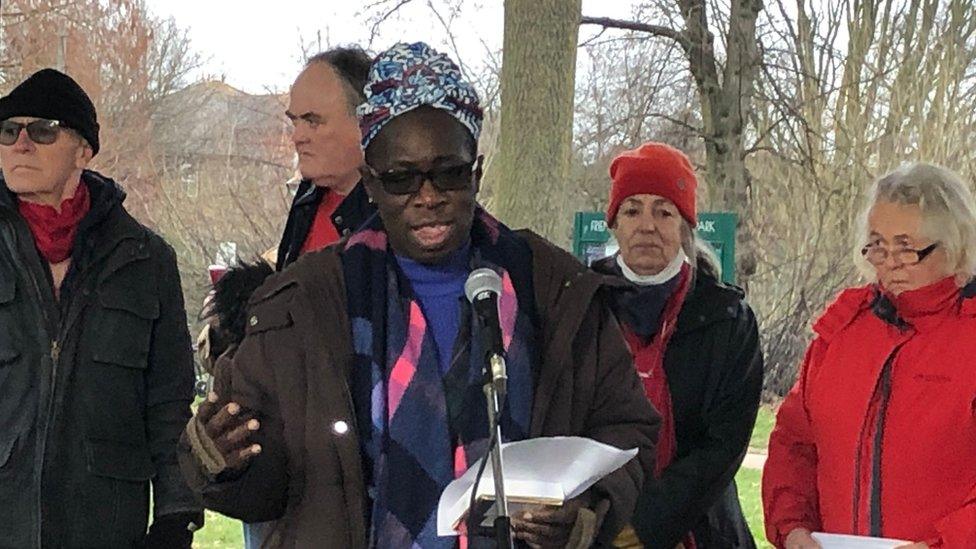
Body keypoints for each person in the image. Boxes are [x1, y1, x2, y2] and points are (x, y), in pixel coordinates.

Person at [179, 41, 659, 548]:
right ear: (370, 182)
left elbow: (628, 431)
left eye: (449, 173)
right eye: (401, 178)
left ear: (476, 171)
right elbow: (263, 492)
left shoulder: (555, 290)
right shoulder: (302, 303)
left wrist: (587, 514)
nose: (427, 197)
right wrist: (221, 462)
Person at [0, 68, 201, 547]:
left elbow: (170, 402)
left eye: (43, 131)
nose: (21, 144)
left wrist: (177, 517)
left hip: (106, 525)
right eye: (9, 130)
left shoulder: (146, 258)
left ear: (84, 151)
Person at [762, 162, 976, 549]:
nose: (889, 261)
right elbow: (794, 444)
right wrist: (792, 528)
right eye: (878, 245)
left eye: (907, 248)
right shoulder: (841, 332)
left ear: (955, 246)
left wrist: (947, 543)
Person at [591, 143, 763, 548]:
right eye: (632, 210)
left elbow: (723, 445)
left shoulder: (727, 319)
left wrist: (647, 523)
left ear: (686, 227)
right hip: (596, 526)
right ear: (614, 224)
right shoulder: (581, 306)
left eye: (664, 212)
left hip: (700, 529)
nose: (647, 225)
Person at [275, 46, 377, 270]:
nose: (298, 137)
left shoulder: (397, 212)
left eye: (313, 121)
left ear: (364, 122)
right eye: (295, 121)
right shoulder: (308, 197)